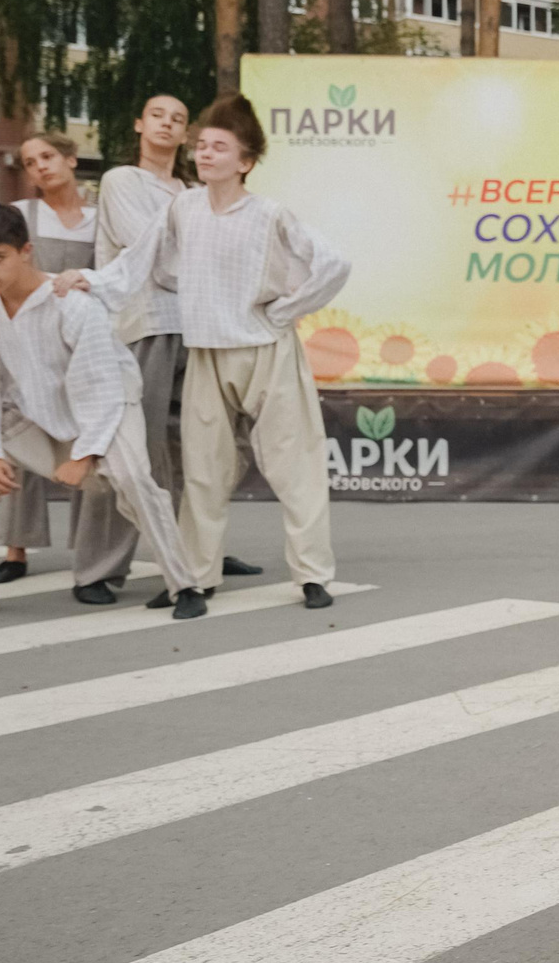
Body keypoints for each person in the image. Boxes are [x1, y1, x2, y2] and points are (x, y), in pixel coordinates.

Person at [61, 97, 351, 608]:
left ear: (245, 162)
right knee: (202, 471)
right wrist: (87, 280)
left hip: (266, 351)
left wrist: (283, 312)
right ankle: (197, 575)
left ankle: (311, 575)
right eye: (202, 146)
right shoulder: (183, 207)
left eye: (220, 147)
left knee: (294, 464)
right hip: (206, 353)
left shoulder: (269, 214)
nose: (206, 154)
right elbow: (139, 264)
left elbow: (333, 265)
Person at [0, 203, 209, 623]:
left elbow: (101, 385)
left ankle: (185, 585)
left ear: (25, 251)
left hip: (108, 407)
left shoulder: (71, 303)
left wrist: (84, 455)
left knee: (131, 480)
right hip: (32, 410)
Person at [0, 134, 102, 586]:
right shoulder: (21, 215)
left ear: (71, 159)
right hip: (25, 337)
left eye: (48, 157)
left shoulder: (97, 218)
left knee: (84, 450)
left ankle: (90, 559)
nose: (40, 168)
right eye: (31, 163)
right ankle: (16, 549)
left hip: (75, 337)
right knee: (22, 442)